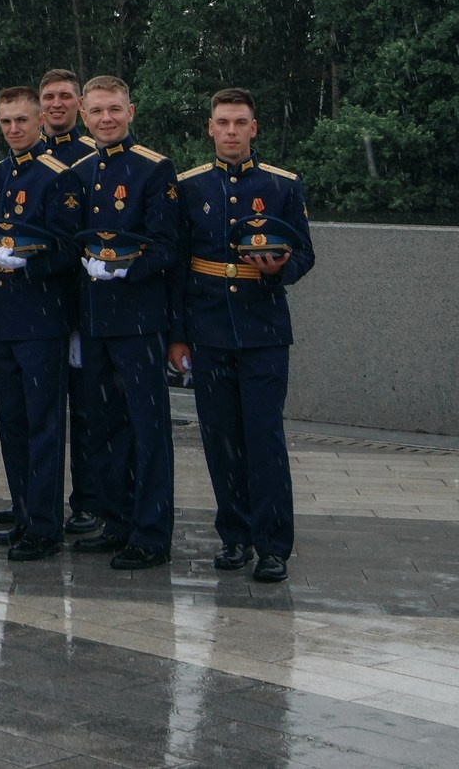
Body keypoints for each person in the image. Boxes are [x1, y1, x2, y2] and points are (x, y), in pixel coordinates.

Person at [169, 87, 315, 584]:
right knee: (221, 439)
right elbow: (180, 266)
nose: (230, 131)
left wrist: (279, 270)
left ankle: (273, 544)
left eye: (240, 123)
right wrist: (178, 335)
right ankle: (234, 534)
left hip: (263, 329)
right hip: (208, 330)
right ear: (209, 128)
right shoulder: (189, 187)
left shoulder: (282, 185)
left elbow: (305, 254)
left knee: (264, 438)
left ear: (255, 129)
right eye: (222, 122)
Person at [61, 75, 181, 570]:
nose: (106, 119)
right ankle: (115, 520)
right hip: (94, 320)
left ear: (131, 111)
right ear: (83, 117)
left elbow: (168, 244)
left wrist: (126, 266)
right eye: (96, 112)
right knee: (103, 426)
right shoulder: (80, 171)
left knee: (147, 429)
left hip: (138, 320)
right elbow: (70, 240)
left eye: (114, 109)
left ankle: (150, 534)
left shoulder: (155, 169)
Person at [0, 86, 74, 560]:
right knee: (12, 424)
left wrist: (28, 265)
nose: (14, 129)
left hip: (41, 316)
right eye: (6, 121)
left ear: (40, 121)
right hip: (5, 317)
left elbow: (68, 247)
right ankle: (22, 513)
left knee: (43, 425)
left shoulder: (59, 176)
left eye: (22, 120)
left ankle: (44, 524)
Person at [35, 66, 103, 539]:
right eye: (49, 97)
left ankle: (90, 499)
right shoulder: (28, 157)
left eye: (65, 97)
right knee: (39, 414)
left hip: (84, 303)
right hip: (38, 305)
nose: (56, 104)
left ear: (79, 104)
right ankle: (37, 499)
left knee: (88, 413)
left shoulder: (92, 156)